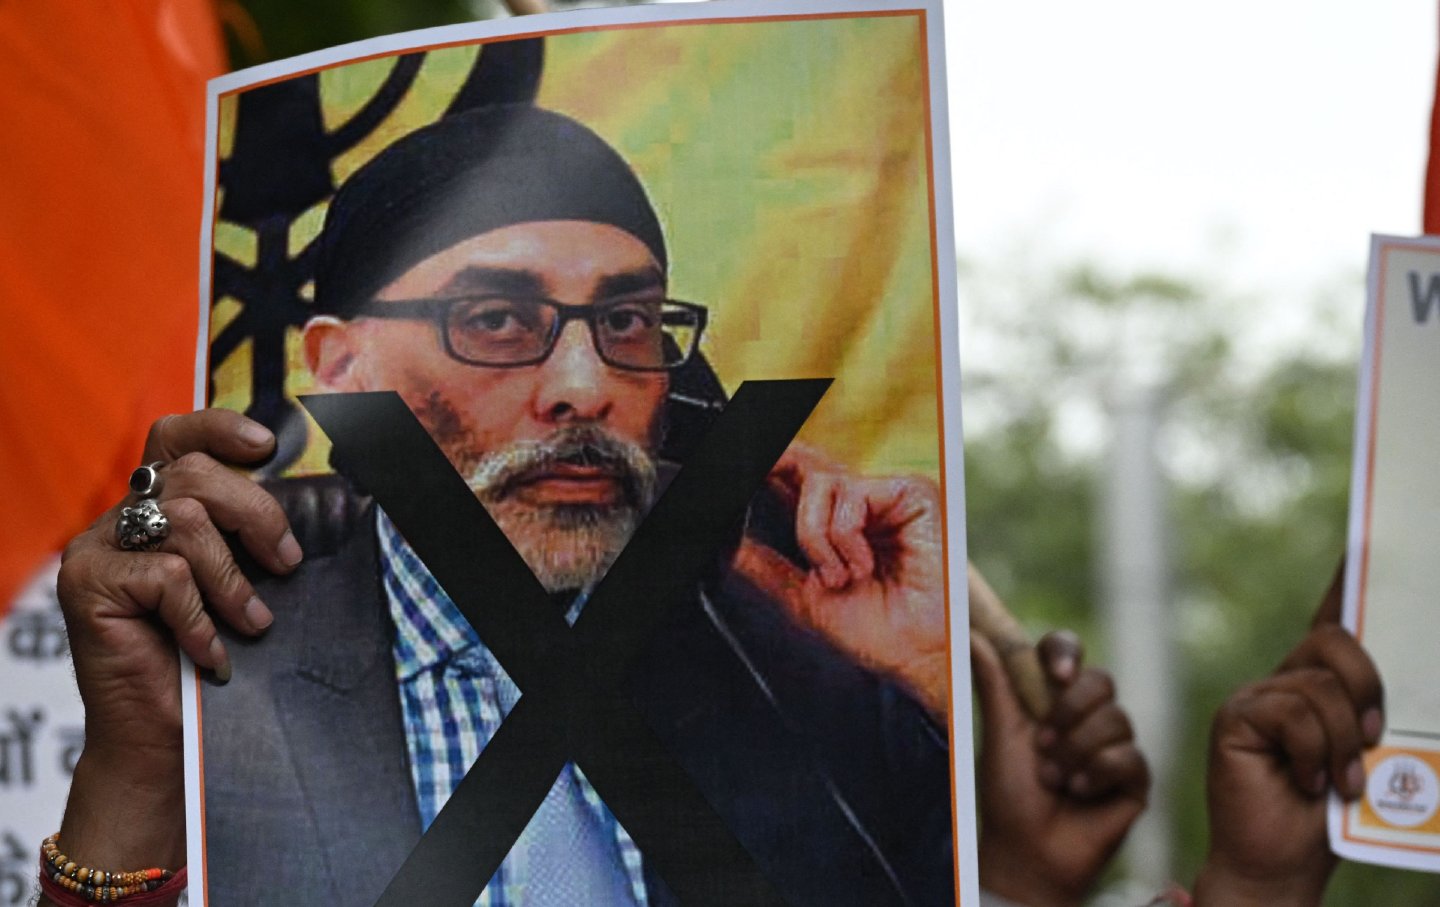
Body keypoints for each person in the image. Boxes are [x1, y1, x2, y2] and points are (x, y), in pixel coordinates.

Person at [50, 103, 1149, 906]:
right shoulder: (213, 683)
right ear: (342, 368)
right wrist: (132, 771)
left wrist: (942, 728)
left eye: (628, 324)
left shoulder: (812, 679)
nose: (585, 384)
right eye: (493, 317)